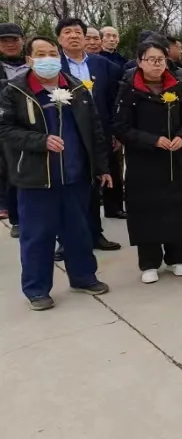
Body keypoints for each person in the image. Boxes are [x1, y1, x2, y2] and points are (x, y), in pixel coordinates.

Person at [0, 36, 112, 310]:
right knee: (37, 236)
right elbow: (5, 130)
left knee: (78, 232)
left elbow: (94, 130)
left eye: (52, 53)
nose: (48, 59)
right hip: (36, 179)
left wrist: (101, 167)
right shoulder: (15, 91)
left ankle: (83, 277)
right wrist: (40, 141)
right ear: (29, 59)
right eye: (41, 54)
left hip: (75, 176)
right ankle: (37, 289)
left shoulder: (76, 88)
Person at [113, 41, 182, 283]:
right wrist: (152, 140)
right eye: (151, 59)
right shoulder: (129, 90)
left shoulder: (177, 86)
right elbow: (120, 127)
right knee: (147, 210)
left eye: (161, 59)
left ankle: (176, 258)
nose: (156, 64)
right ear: (139, 62)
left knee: (175, 208)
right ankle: (149, 262)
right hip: (144, 161)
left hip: (174, 159)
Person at [57, 17, 124, 253]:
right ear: (59, 39)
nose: (73, 36)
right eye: (67, 32)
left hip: (98, 133)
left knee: (95, 185)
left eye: (78, 32)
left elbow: (114, 99)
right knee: (67, 187)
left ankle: (95, 234)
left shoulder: (102, 65)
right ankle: (66, 241)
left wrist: (115, 131)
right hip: (65, 135)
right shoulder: (54, 65)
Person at [0, 23, 28, 238]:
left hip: (34, 126)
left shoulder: (33, 63)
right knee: (10, 173)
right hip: (6, 128)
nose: (10, 44)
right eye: (4, 41)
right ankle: (17, 219)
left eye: (14, 39)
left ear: (22, 40)